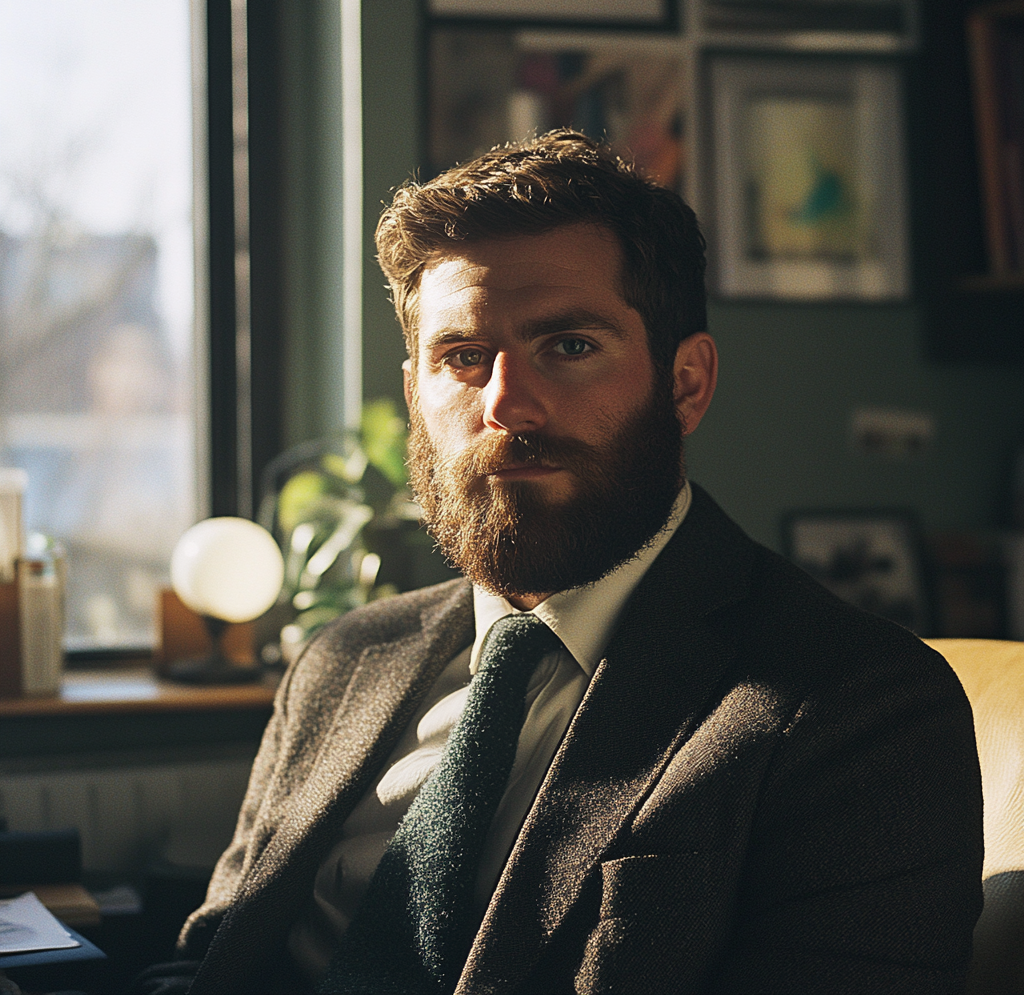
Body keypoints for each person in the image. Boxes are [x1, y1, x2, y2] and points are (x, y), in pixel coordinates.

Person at [171, 131, 983, 994]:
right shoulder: (343, 663)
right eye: (462, 358)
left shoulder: (861, 709)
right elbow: (208, 961)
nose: (508, 403)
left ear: (686, 384)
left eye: (569, 345)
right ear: (415, 393)